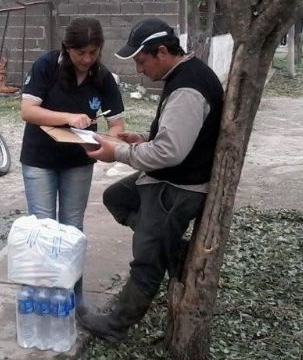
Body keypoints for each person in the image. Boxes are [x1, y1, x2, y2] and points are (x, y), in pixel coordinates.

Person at [79, 18, 224, 342]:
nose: (140, 70)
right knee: (117, 198)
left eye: (141, 61)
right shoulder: (183, 76)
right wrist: (142, 138)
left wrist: (116, 152)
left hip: (177, 187)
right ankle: (167, 244)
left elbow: (170, 153)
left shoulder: (188, 87)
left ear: (161, 51)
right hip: (167, 178)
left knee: (145, 262)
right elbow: (179, 136)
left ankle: (115, 326)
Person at [19, 17, 125, 311]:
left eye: (93, 53)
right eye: (81, 53)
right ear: (67, 48)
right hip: (39, 160)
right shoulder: (46, 66)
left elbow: (116, 125)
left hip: (78, 162)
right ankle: (44, 295)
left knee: (72, 229)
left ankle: (73, 296)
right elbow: (28, 111)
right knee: (44, 229)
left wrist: (105, 142)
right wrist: (68, 117)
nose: (87, 59)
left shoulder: (103, 77)